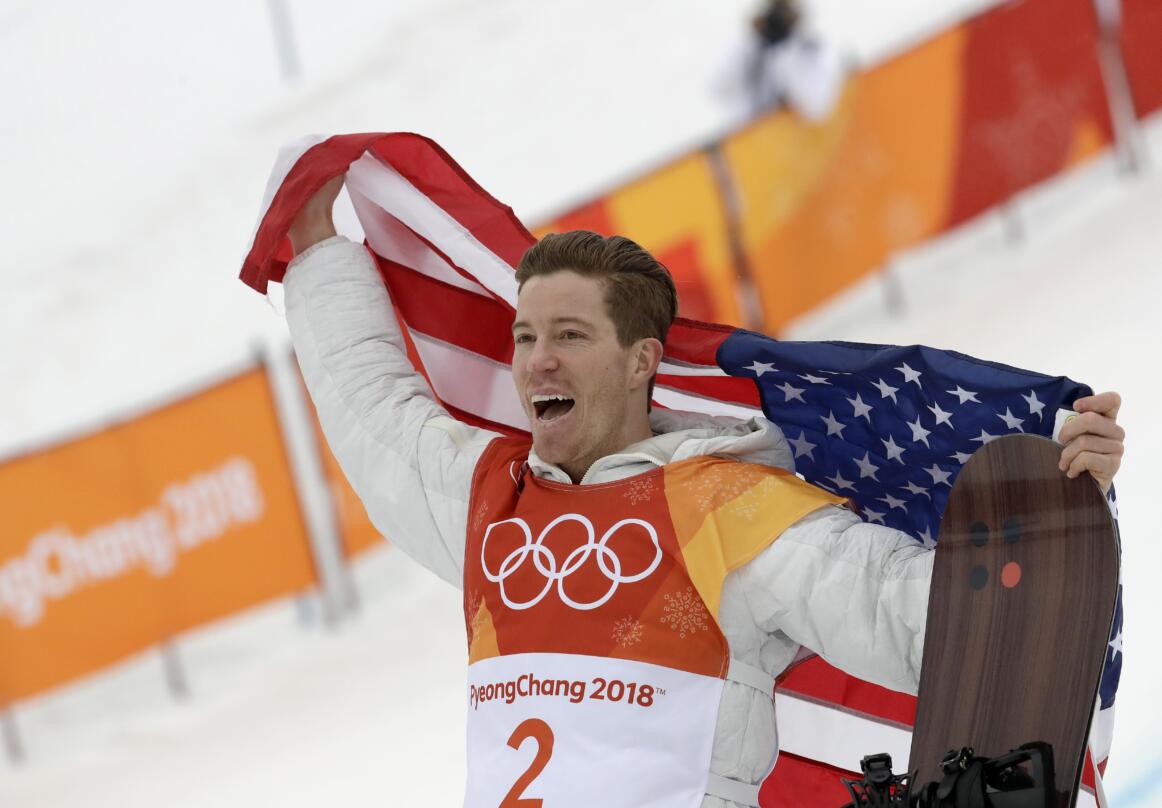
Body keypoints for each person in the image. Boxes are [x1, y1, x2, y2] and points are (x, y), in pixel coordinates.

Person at [281, 175, 1125, 807]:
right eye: (526, 335)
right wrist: (316, 245)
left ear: (642, 360)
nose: (537, 359)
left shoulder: (725, 506)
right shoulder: (489, 502)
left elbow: (910, 610)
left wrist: (1050, 504)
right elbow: (373, 413)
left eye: (570, 336)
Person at [714, 0, 846, 123]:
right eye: (774, 11)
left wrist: (784, 50)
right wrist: (748, 40)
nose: (779, 20)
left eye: (784, 11)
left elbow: (817, 107)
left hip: (793, 140)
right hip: (752, 139)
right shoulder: (750, 47)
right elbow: (718, 88)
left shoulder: (812, 50)